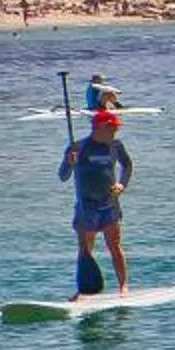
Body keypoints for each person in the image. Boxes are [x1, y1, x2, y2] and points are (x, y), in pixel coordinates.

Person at [59, 108, 135, 297]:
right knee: (85, 249)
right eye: (113, 128)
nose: (115, 132)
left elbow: (127, 165)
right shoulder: (78, 148)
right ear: (100, 127)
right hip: (87, 206)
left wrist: (121, 184)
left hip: (109, 204)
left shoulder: (116, 146)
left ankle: (123, 287)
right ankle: (83, 290)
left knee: (115, 246)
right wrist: (69, 162)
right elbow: (63, 176)